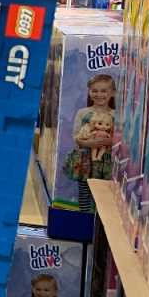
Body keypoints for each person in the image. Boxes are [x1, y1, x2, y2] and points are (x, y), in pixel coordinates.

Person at [63, 74, 116, 212]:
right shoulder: (83, 113)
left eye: (104, 91)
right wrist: (90, 143)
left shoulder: (116, 114)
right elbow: (76, 137)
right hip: (85, 159)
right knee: (85, 191)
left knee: (105, 192)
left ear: (112, 93)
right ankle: (85, 217)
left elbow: (120, 138)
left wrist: (108, 141)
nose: (99, 94)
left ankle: (100, 220)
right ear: (89, 92)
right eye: (95, 91)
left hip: (107, 161)